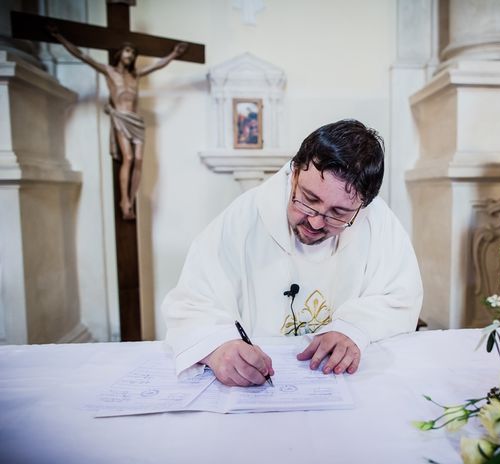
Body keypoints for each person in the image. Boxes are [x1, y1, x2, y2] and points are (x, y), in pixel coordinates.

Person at [163, 119, 423, 386]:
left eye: (339, 213)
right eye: (309, 200)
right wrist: (217, 346)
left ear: (363, 205)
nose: (316, 222)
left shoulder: (378, 221)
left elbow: (402, 296)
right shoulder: (243, 217)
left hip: (340, 383)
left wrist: (355, 328)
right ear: (295, 173)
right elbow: (192, 302)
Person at [48, 27, 187, 220]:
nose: (130, 55)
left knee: (139, 160)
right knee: (128, 158)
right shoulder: (109, 71)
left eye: (133, 53)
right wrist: (59, 36)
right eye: (127, 51)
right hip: (121, 117)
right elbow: (81, 55)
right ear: (120, 53)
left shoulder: (135, 75)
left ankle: (132, 197)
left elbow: (157, 65)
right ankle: (124, 201)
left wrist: (174, 54)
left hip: (136, 120)